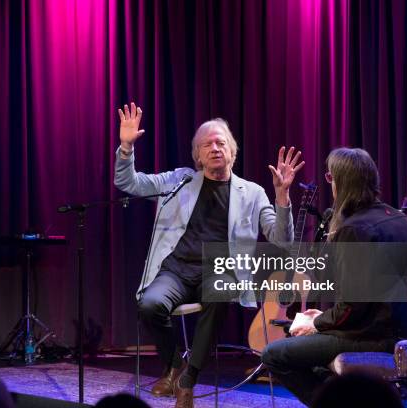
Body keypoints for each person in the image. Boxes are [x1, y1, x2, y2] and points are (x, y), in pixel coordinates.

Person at [114, 102, 303, 407]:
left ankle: (188, 381)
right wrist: (126, 147)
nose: (215, 148)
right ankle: (175, 364)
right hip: (176, 270)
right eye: (207, 145)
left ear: (232, 151)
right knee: (149, 304)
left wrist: (283, 198)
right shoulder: (180, 181)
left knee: (220, 294)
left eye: (221, 143)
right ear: (198, 155)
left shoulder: (252, 192)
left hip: (220, 271)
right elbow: (127, 182)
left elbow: (282, 239)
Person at [261, 147, 407, 406]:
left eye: (331, 177)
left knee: (274, 354)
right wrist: (325, 319)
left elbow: (353, 306)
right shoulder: (398, 217)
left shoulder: (355, 230)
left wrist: (316, 324)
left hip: (377, 336)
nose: (330, 183)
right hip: (406, 329)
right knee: (312, 361)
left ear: (343, 182)